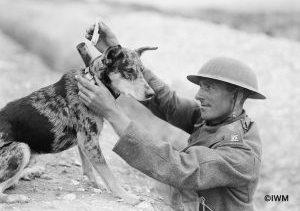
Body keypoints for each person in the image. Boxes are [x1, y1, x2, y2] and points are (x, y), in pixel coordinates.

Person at [76, 22, 265, 211]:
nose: (199, 95)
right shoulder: (217, 119)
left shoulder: (241, 153)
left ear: (237, 96)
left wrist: (112, 112)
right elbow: (167, 103)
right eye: (201, 87)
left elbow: (180, 168)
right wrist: (118, 54)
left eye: (209, 87)